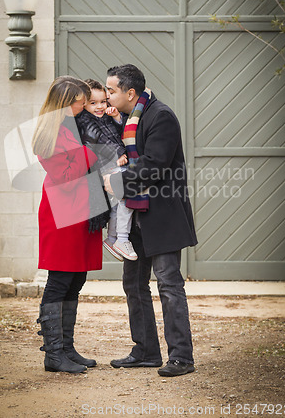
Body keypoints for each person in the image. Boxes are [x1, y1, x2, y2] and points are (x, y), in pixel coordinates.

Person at [103, 64, 198, 377]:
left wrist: (117, 182)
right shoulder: (125, 120)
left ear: (130, 93)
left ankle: (181, 357)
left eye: (111, 90)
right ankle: (145, 351)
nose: (107, 95)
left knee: (169, 285)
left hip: (162, 216)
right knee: (133, 284)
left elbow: (155, 164)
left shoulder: (160, 116)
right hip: (136, 216)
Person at [32, 76, 102, 374]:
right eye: (79, 100)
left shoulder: (74, 126)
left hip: (81, 210)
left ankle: (67, 348)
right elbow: (67, 174)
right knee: (59, 281)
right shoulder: (51, 134)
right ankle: (53, 354)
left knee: (75, 280)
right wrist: (93, 149)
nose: (84, 105)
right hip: (62, 213)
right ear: (64, 101)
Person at [75, 79, 137, 261]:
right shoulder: (85, 122)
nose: (100, 107)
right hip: (107, 166)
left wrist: (117, 116)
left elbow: (119, 133)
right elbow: (96, 143)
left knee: (119, 203)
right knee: (126, 195)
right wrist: (116, 155)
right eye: (93, 103)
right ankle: (122, 238)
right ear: (84, 103)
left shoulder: (106, 117)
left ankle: (111, 238)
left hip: (117, 164)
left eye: (103, 101)